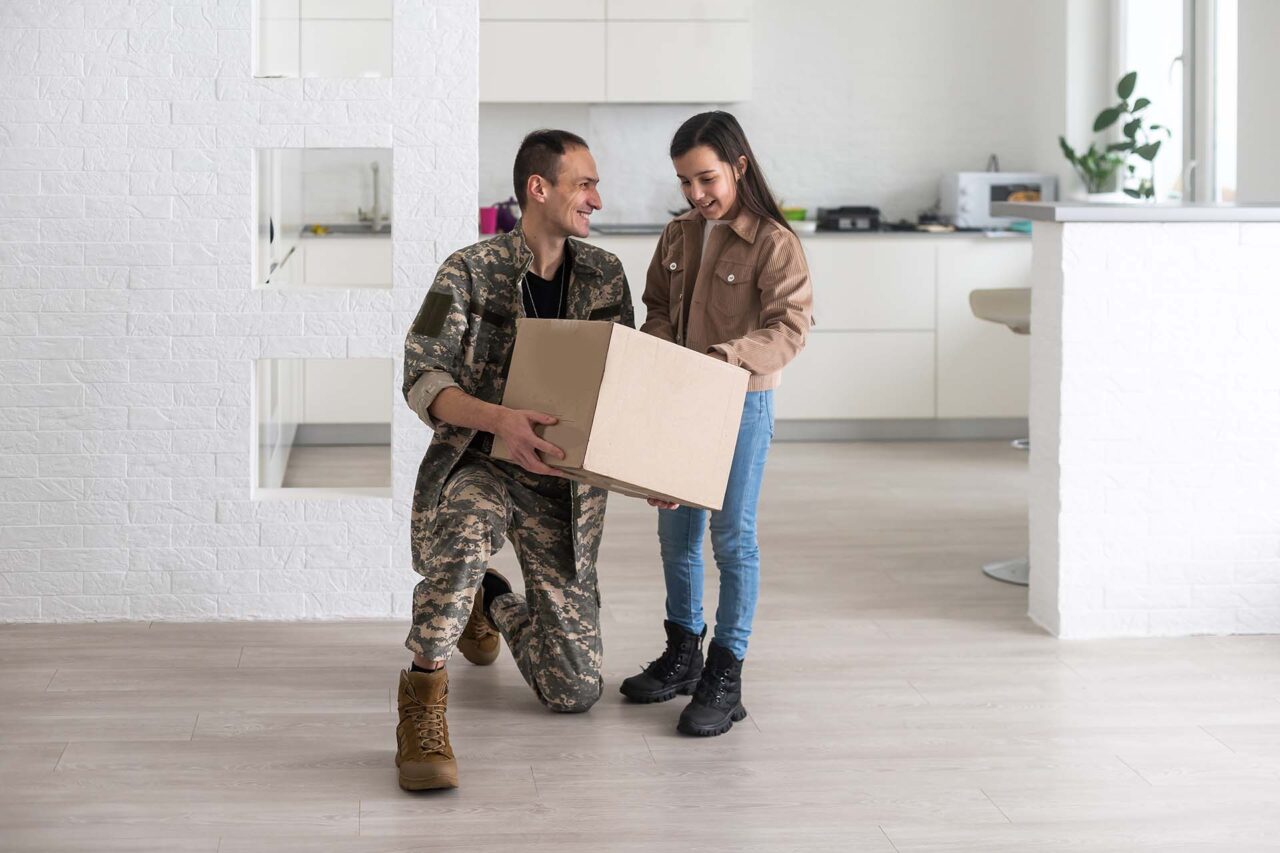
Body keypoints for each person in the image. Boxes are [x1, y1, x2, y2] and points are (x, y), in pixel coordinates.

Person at [396, 129, 634, 790]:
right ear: (540, 187)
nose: (596, 197)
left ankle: (491, 601)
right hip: (482, 463)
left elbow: (627, 386)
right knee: (468, 533)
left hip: (563, 486)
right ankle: (423, 697)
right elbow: (422, 376)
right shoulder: (465, 271)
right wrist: (500, 418)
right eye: (584, 183)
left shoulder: (606, 276)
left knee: (575, 690)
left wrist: (654, 469)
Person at [621, 111, 813, 737]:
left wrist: (718, 361)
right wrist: (659, 355)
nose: (696, 195)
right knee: (675, 535)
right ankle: (683, 654)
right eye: (684, 183)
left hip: (740, 403)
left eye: (706, 179)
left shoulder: (775, 244)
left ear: (739, 166)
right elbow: (655, 306)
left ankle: (726, 674)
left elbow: (789, 329)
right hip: (678, 401)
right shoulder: (678, 236)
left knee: (732, 540)